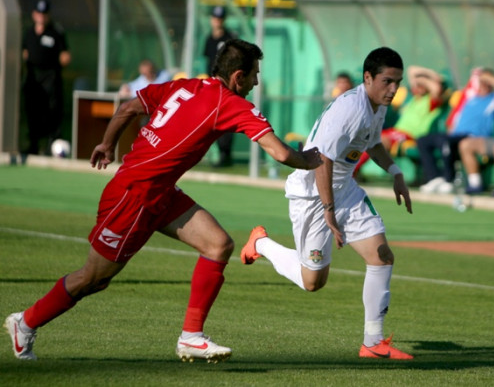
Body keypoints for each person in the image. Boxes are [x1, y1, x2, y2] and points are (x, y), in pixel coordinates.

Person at [4, 39, 322, 362]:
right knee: (92, 278)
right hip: (134, 196)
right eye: (254, 75)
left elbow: (128, 107)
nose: (256, 83)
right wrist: (311, 159)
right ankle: (25, 322)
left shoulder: (185, 86)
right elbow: (280, 152)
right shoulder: (229, 103)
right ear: (238, 77)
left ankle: (191, 337)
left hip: (159, 191)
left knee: (218, 244)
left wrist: (107, 143)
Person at [239, 47, 414, 360]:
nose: (393, 89)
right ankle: (261, 243)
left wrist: (396, 172)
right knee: (313, 282)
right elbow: (322, 158)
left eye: (398, 83)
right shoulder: (350, 109)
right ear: (368, 77)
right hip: (312, 195)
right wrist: (329, 210)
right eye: (388, 81)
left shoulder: (377, 104)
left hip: (343, 188)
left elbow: (372, 144)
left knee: (382, 256)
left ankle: (372, 343)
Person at [353, 65, 445, 177]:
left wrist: (426, 79)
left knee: (376, 140)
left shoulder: (431, 102)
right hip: (396, 132)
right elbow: (412, 70)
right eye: (417, 84)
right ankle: (348, 170)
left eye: (421, 85)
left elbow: (436, 89)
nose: (417, 86)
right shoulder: (414, 99)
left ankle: (352, 172)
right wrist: (427, 73)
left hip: (409, 136)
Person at [455, 68, 494, 195]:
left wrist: (490, 78)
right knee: (464, 145)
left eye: (487, 81)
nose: (484, 83)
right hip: (470, 139)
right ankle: (475, 184)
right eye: (482, 81)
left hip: (489, 139)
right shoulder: (472, 99)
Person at [21, 0, 71, 155]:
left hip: (50, 78)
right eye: (39, 13)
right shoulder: (28, 33)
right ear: (34, 14)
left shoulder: (56, 32)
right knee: (33, 110)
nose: (41, 16)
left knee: (52, 110)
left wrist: (62, 59)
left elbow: (65, 55)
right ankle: (33, 145)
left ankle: (52, 144)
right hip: (33, 78)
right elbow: (24, 52)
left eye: (45, 13)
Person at [204, 6, 239, 168]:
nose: (217, 21)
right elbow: (206, 61)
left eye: (220, 18)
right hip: (213, 86)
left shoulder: (230, 38)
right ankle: (220, 153)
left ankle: (226, 155)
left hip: (227, 86)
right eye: (215, 18)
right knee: (214, 119)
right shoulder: (209, 39)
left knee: (226, 119)